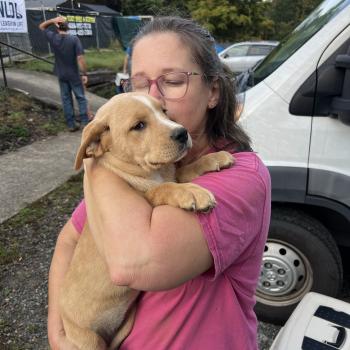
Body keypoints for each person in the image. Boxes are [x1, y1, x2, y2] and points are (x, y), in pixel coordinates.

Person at [47, 16, 271, 350]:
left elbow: (131, 263)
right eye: (139, 84)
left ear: (212, 91)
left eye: (174, 80)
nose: (156, 100)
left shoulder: (241, 177)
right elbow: (68, 240)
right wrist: (59, 327)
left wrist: (99, 160)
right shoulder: (144, 167)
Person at [39, 16, 90, 132]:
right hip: (74, 74)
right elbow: (80, 58)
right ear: (68, 27)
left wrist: (52, 20)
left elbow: (41, 26)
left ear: (57, 27)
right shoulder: (74, 39)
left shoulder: (53, 38)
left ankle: (71, 124)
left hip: (61, 74)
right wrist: (85, 74)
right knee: (81, 98)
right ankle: (85, 123)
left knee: (66, 99)